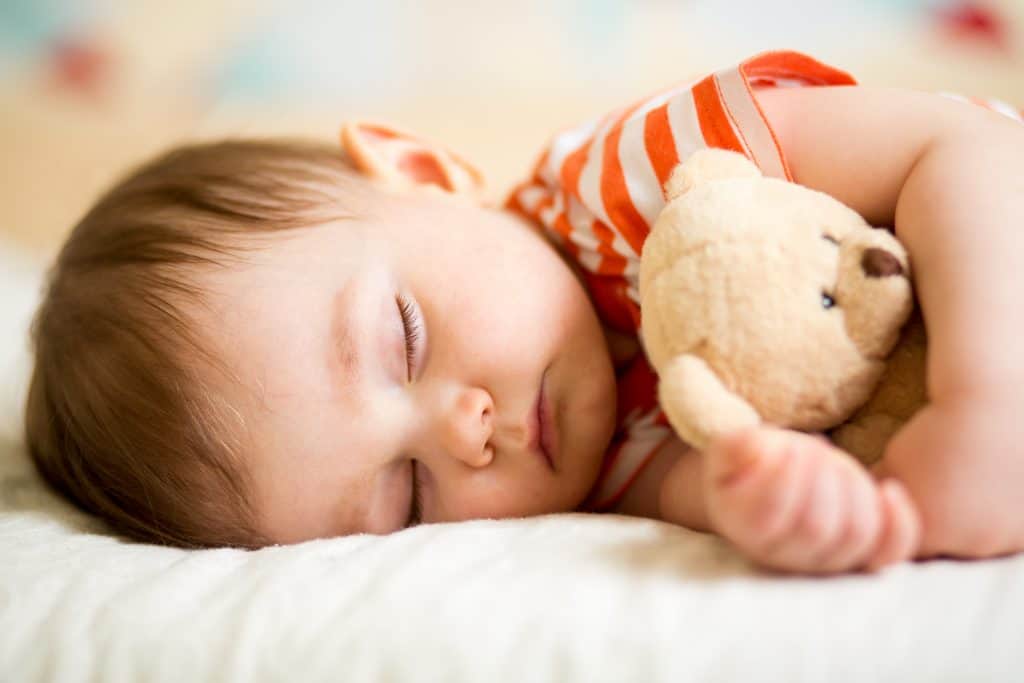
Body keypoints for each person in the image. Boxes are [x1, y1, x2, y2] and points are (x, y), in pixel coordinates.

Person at [25, 51, 1024, 574]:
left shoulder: (634, 176)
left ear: (424, 171)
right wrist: (783, 507)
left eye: (402, 339)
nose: (466, 432)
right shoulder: (607, 479)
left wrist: (986, 398)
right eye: (407, 496)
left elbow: (961, 148)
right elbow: (725, 488)